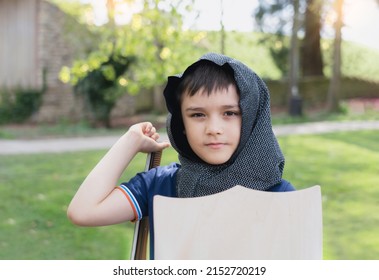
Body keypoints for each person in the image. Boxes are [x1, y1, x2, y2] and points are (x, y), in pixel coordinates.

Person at [67, 53, 295, 259]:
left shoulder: (279, 196)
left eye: (229, 113)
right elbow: (83, 211)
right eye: (198, 114)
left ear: (252, 116)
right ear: (181, 124)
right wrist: (130, 141)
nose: (213, 128)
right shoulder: (160, 186)